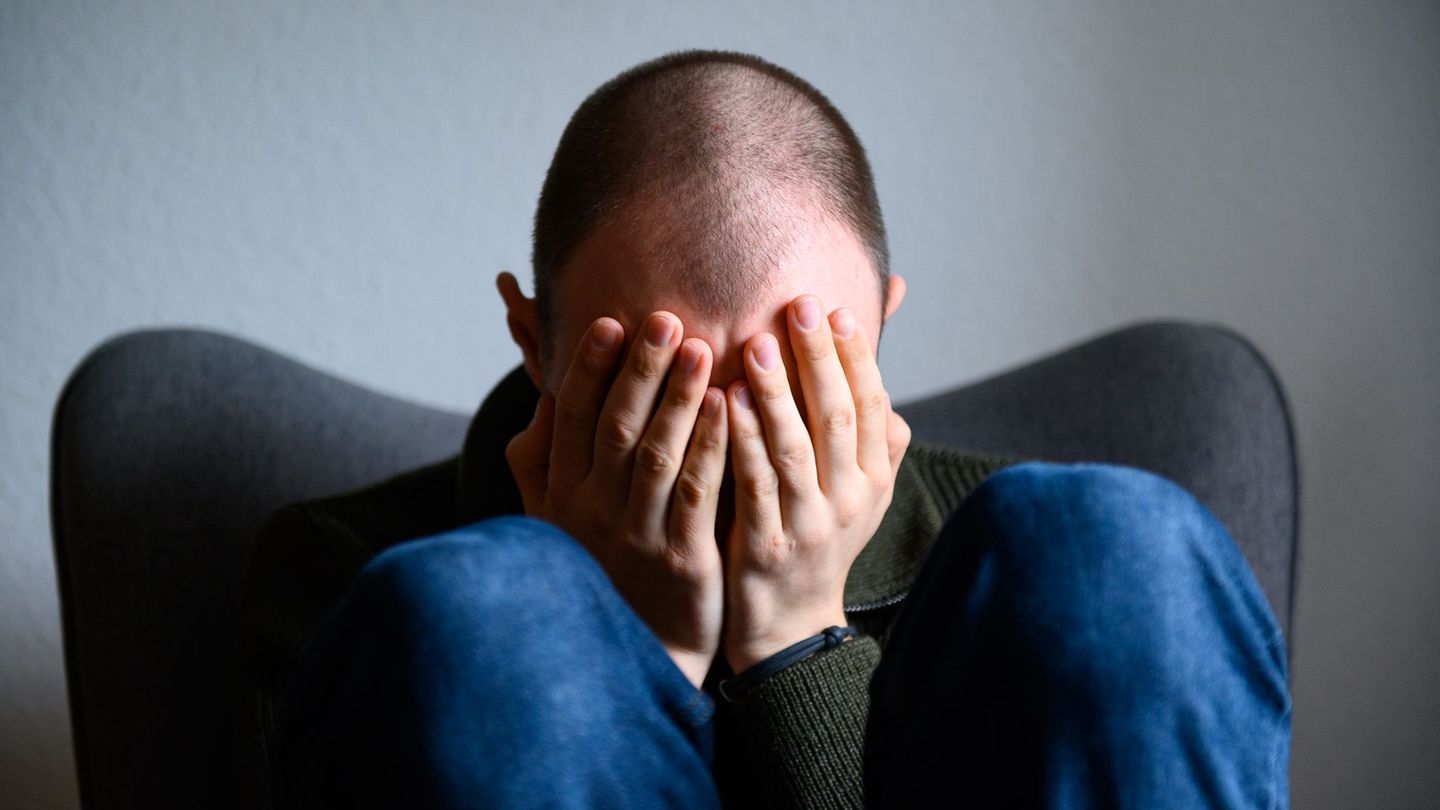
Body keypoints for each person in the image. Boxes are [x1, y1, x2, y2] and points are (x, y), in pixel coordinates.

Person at [240, 50, 1290, 808]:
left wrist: (797, 644)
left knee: (1107, 550)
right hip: (458, 619)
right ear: (536, 341)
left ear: (879, 327)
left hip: (1059, 587)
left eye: (796, 380)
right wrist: (632, 651)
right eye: (656, 391)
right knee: (473, 613)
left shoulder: (1029, 599)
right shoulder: (350, 573)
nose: (739, 452)